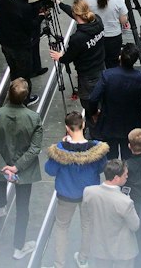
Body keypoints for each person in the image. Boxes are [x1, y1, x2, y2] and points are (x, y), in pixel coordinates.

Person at [0, 77, 44, 258]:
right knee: (22, 207)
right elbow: (35, 148)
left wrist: (3, 167)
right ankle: (19, 247)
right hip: (24, 170)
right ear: (26, 97)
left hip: (1, 164)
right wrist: (16, 167)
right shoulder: (33, 118)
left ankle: (0, 205)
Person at [43, 111, 111, 268]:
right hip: (89, 194)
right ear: (84, 125)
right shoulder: (96, 149)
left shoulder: (60, 150)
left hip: (66, 195)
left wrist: (60, 146)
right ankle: (83, 258)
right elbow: (102, 167)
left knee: (61, 227)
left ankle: (59, 264)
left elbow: (50, 170)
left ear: (67, 128)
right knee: (87, 225)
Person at [80, 159, 141, 268]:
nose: (127, 176)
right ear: (117, 178)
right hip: (123, 251)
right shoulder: (125, 202)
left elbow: (86, 218)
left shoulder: (88, 192)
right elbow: (135, 226)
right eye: (125, 174)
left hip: (100, 248)